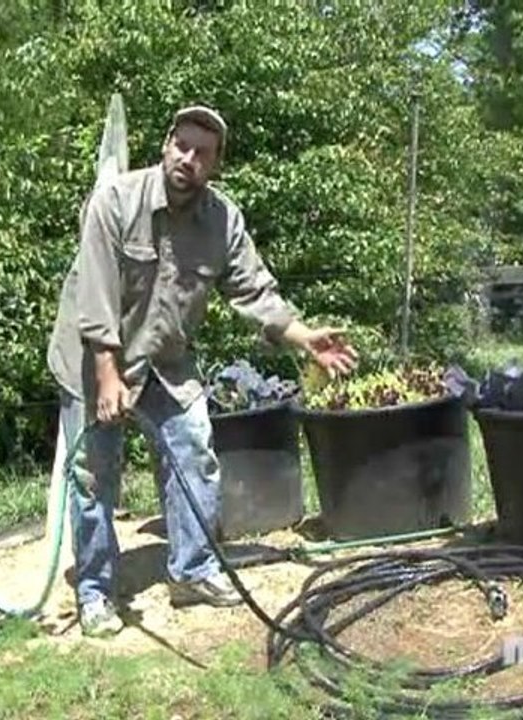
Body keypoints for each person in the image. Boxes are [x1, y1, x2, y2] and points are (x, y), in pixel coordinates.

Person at [47, 104, 358, 637]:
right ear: (166, 145)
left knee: (194, 448)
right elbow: (94, 294)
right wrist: (106, 373)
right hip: (92, 358)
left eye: (202, 153)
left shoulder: (222, 220)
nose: (188, 159)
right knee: (93, 476)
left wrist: (304, 337)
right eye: (182, 146)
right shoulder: (115, 202)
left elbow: (255, 292)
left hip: (165, 359)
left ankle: (192, 571)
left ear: (214, 164)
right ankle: (96, 592)